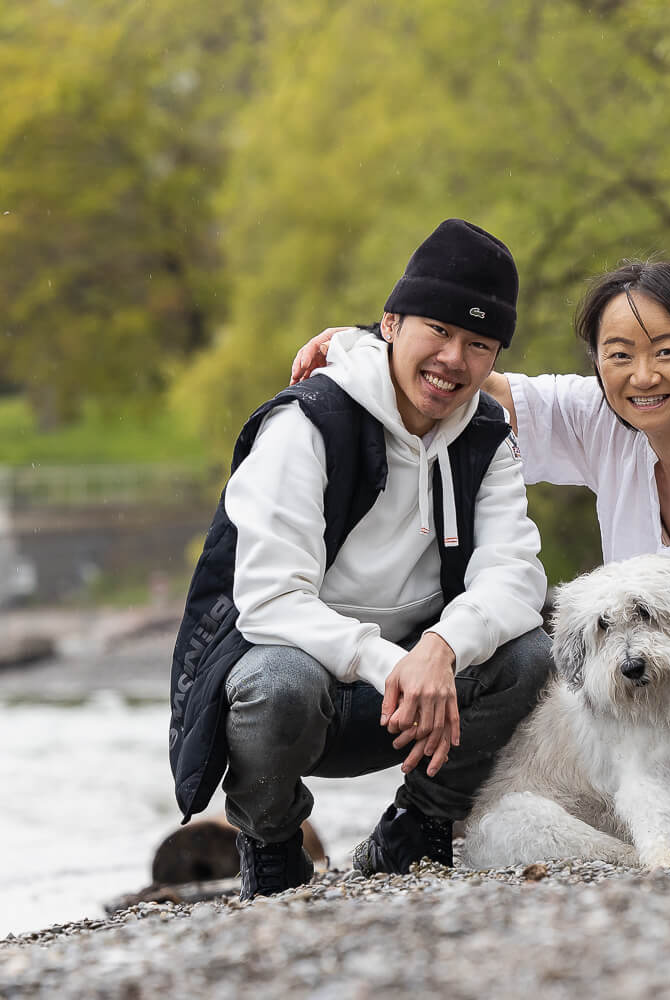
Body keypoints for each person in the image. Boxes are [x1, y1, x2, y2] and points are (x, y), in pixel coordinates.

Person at [291, 260, 670, 862]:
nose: (642, 375)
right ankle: (458, 813)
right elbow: (481, 382)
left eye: (666, 351)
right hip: (660, 690)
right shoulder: (612, 419)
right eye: (619, 354)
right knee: (541, 655)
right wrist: (370, 345)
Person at [168, 219, 553, 900]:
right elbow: (270, 598)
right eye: (438, 330)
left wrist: (441, 646)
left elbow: (515, 575)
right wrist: (391, 662)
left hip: (420, 704)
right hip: (305, 690)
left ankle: (417, 828)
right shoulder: (309, 423)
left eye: (478, 344)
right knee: (275, 682)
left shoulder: (487, 438)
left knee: (528, 655)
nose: (453, 359)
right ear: (391, 323)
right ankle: (272, 846)